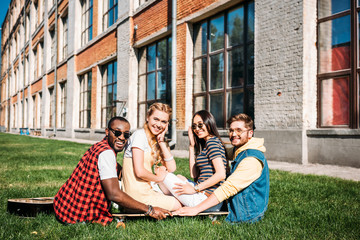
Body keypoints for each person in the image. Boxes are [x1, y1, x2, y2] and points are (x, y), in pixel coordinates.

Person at [53, 117, 171, 226]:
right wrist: (149, 209)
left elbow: (114, 168)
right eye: (117, 133)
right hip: (78, 216)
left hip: (64, 207)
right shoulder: (107, 154)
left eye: (126, 135)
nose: (122, 138)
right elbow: (114, 194)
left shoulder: (99, 146)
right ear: (107, 131)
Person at [175, 113, 270, 223]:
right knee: (180, 179)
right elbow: (222, 152)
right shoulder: (240, 150)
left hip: (246, 214)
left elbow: (227, 188)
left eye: (239, 130)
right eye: (231, 130)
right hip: (235, 207)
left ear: (250, 133)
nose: (233, 134)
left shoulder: (251, 159)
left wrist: (196, 209)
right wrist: (194, 145)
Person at [160, 110, 227, 210]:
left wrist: (194, 189)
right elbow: (193, 175)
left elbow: (221, 174)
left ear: (209, 123)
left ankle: (173, 203)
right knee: (179, 177)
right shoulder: (208, 143)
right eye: (194, 126)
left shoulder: (212, 143)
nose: (197, 129)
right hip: (204, 196)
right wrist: (191, 146)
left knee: (162, 174)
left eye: (200, 125)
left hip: (206, 200)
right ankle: (176, 202)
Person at [121, 103, 182, 211]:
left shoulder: (156, 140)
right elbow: (139, 171)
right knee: (178, 204)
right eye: (156, 119)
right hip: (136, 195)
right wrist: (158, 178)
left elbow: (172, 168)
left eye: (163, 121)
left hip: (147, 190)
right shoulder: (139, 135)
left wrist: (162, 142)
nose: (159, 125)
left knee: (180, 181)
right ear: (147, 117)